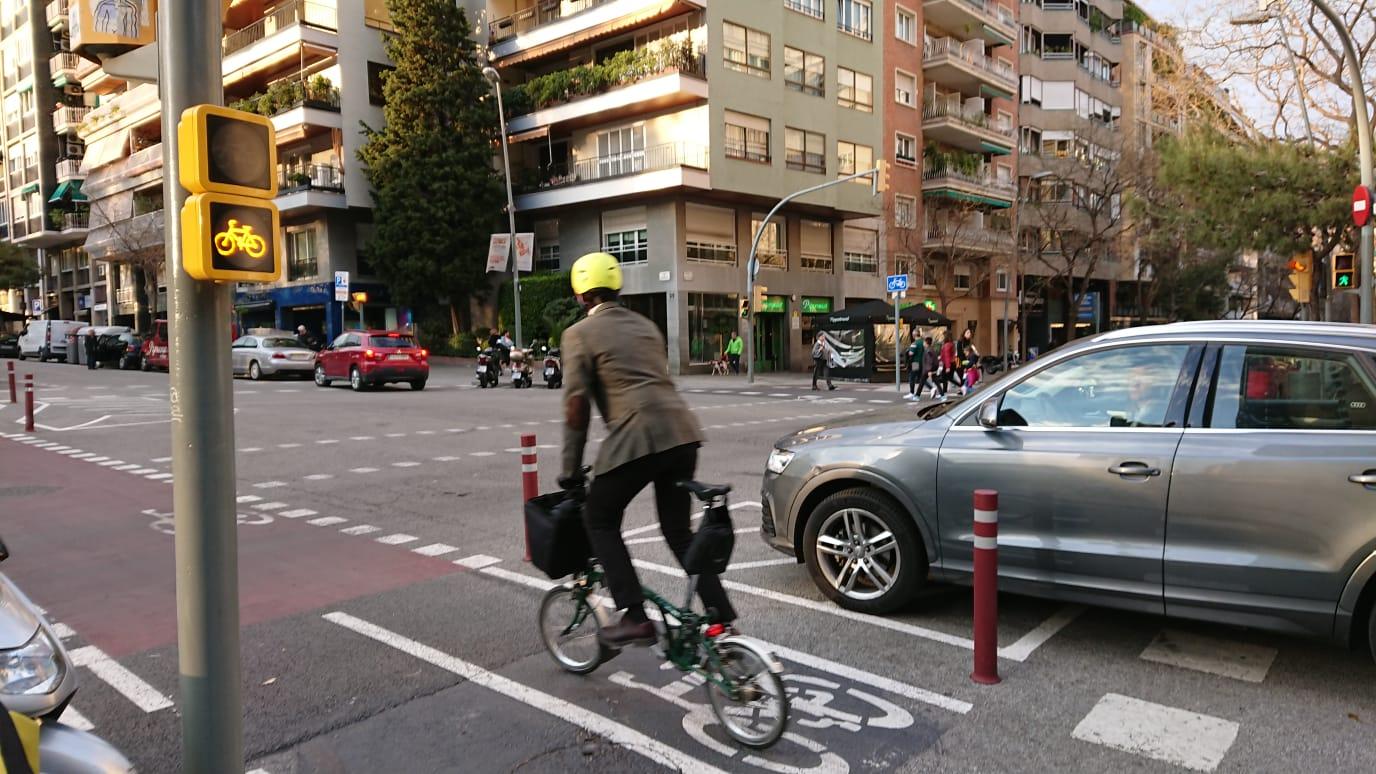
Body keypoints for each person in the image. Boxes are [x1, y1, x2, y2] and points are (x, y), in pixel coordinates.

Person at [559, 252, 737, 647]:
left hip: (636, 438)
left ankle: (634, 615)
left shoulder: (577, 335)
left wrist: (570, 471)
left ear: (580, 296)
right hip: (683, 433)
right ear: (617, 288)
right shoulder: (646, 326)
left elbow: (576, 408)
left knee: (599, 519)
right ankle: (720, 618)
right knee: (678, 530)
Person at [903, 334, 925, 400]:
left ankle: (911, 392)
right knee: (921, 377)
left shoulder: (914, 343)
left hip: (915, 363)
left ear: (914, 335)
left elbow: (911, 353)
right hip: (922, 362)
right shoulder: (923, 342)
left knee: (912, 377)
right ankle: (932, 388)